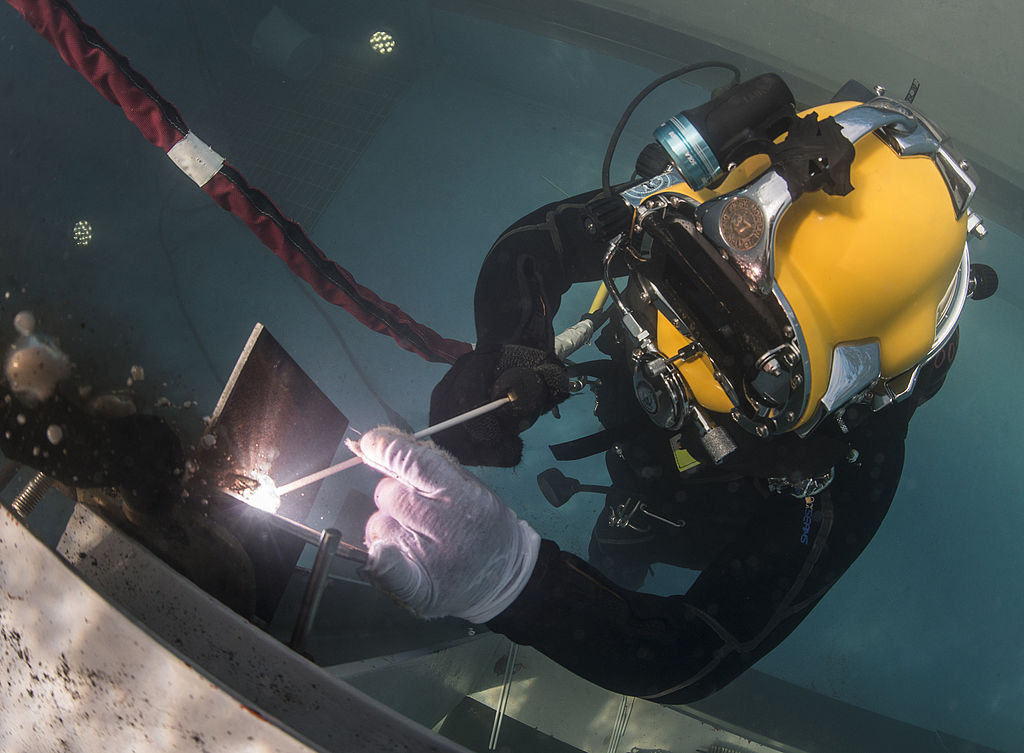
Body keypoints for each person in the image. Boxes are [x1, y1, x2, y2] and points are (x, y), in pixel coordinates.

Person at [352, 73, 997, 703]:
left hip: (702, 509)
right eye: (685, 270)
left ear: (845, 391)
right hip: (645, 447)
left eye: (753, 359)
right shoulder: (695, 204)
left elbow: (690, 653)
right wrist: (511, 346)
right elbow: (537, 247)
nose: (674, 345)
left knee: (620, 546)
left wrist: (513, 582)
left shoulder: (847, 474)